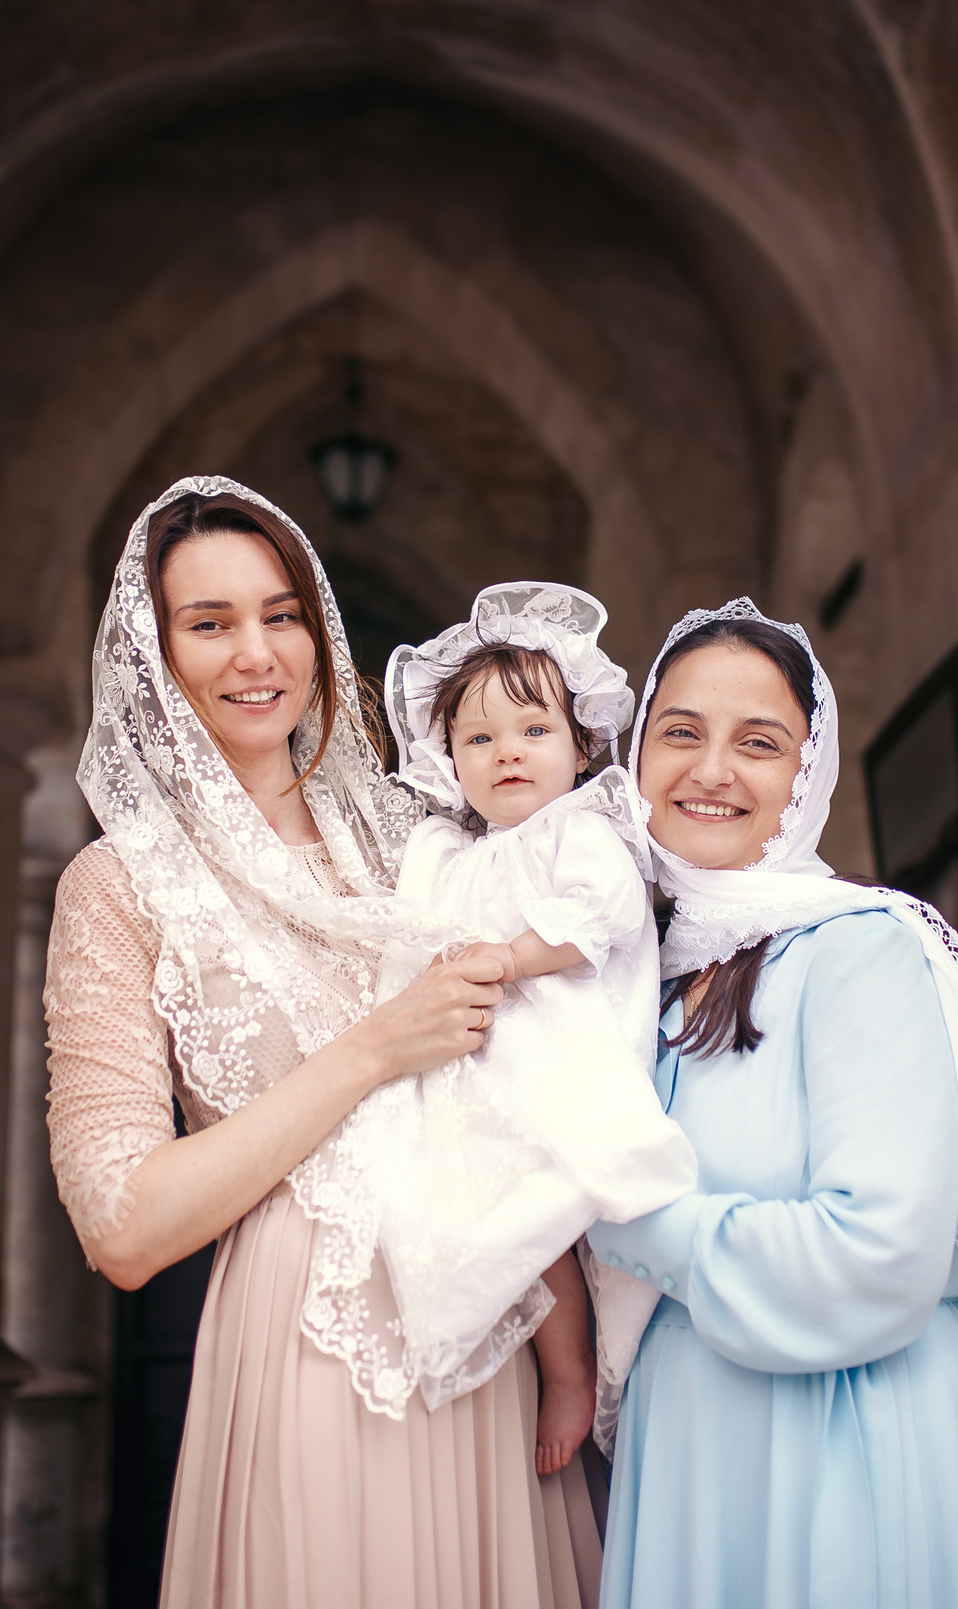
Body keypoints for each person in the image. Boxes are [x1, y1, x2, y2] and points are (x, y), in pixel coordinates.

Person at [42, 477, 600, 1609]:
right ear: (155, 655)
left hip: (493, 1325)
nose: (256, 653)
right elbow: (123, 1228)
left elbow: (570, 1002)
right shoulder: (118, 887)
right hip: (308, 1340)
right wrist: (372, 1050)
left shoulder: (427, 843)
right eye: (209, 623)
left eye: (281, 614)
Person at [586, 598, 958, 1609]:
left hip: (840, 1448)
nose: (712, 769)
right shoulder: (644, 976)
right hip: (695, 1457)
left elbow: (877, 1254)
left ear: (809, 775)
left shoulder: (861, 950)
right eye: (681, 732)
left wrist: (626, 1220)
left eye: (758, 743)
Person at [360, 582, 697, 1476]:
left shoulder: (580, 834)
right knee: (482, 1210)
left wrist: (508, 957)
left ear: (581, 745)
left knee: (548, 1217)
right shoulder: (450, 856)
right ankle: (539, 1353)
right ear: (449, 761)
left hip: (564, 1057)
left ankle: (572, 1369)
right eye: (479, 739)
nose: (507, 751)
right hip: (486, 1068)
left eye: (534, 730)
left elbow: (596, 921)